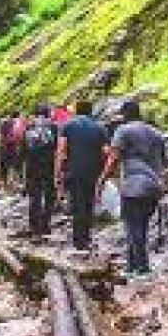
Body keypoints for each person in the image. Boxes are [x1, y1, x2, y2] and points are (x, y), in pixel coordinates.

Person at [98, 100, 165, 278]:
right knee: (140, 225)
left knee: (133, 225)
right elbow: (162, 161)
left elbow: (113, 159)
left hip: (134, 184)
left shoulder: (123, 130)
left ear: (125, 115)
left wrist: (102, 180)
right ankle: (131, 265)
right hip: (154, 184)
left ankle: (142, 267)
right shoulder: (156, 133)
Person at [56, 100, 108, 250]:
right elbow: (106, 151)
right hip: (93, 172)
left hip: (74, 171)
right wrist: (103, 171)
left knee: (78, 205)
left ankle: (79, 242)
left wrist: (58, 173)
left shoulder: (68, 125)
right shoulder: (100, 128)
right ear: (90, 111)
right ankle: (86, 238)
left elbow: (61, 151)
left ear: (77, 111)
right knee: (89, 204)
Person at [22, 104, 59, 237]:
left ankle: (34, 226)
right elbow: (57, 148)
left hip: (32, 167)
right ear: (48, 113)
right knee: (49, 196)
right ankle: (45, 224)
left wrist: (23, 168)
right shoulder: (53, 127)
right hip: (49, 166)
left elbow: (23, 150)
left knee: (35, 197)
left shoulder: (29, 128)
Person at [0, 111, 21, 192]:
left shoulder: (3, 123)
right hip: (10, 148)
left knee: (6, 168)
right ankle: (12, 186)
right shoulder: (12, 123)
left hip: (5, 148)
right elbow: (16, 136)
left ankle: (7, 187)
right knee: (12, 167)